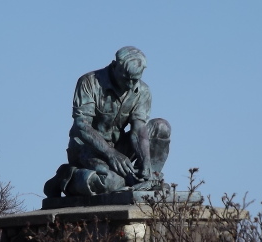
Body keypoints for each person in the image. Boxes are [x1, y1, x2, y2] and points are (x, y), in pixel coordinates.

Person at [44, 46, 171, 197]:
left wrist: (146, 164)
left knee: (161, 127)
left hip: (119, 148)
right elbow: (81, 126)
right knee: (110, 183)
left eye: (135, 79)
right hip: (87, 149)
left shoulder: (142, 91)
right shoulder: (89, 82)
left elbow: (138, 130)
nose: (130, 85)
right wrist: (110, 153)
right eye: (126, 78)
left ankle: (148, 180)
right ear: (114, 66)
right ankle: (66, 177)